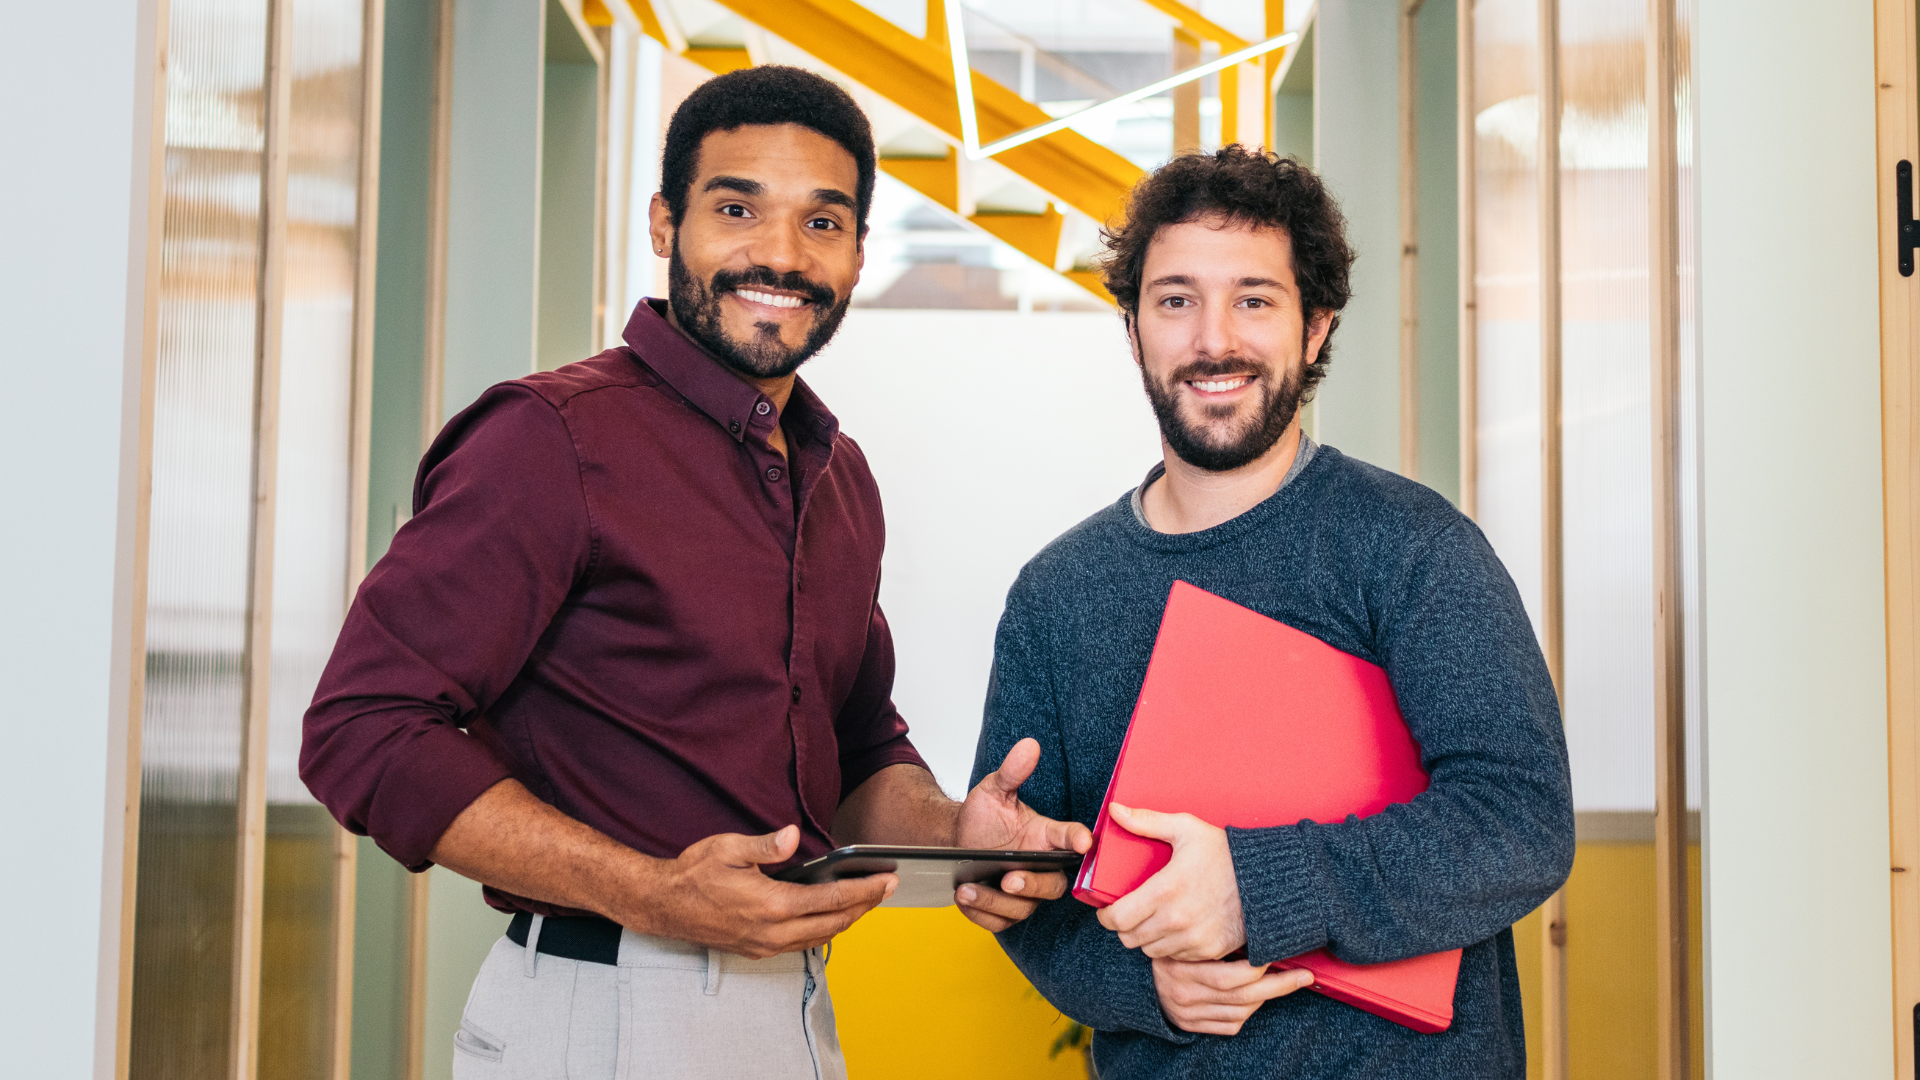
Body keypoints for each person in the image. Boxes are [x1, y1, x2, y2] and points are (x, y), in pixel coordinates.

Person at [302, 65, 1087, 1080]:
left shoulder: (837, 475)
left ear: (857, 253)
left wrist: (952, 833)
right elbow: (361, 728)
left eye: (822, 223)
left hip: (790, 1007)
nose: (779, 254)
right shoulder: (549, 440)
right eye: (735, 208)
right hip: (604, 1008)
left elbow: (854, 749)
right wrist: (648, 891)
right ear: (665, 225)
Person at [969, 146, 1575, 1078]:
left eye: (1254, 299)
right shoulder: (1056, 595)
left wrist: (1256, 888)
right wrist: (1147, 989)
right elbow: (1036, 898)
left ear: (1317, 327)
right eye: (1175, 300)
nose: (1215, 340)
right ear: (1133, 330)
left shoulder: (1413, 547)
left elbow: (1520, 823)